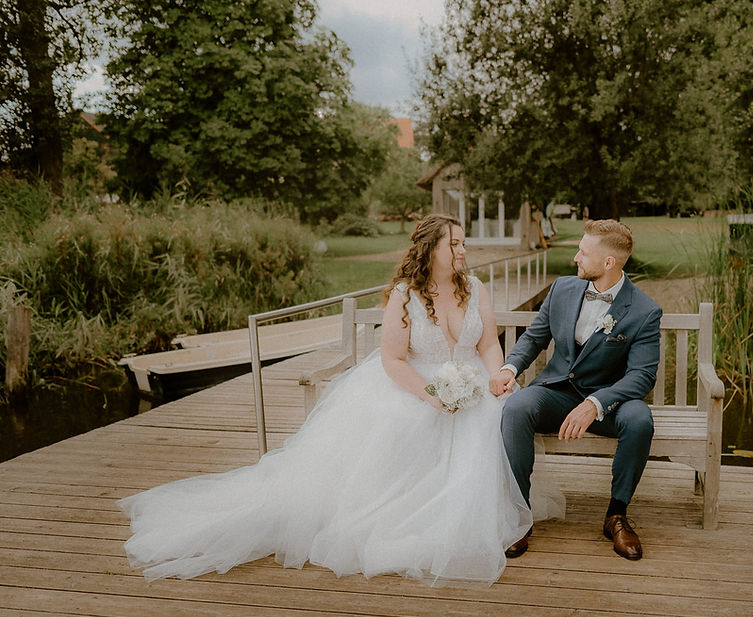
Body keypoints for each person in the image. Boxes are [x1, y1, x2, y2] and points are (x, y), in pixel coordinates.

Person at [119, 214, 561, 585]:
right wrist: (430, 394)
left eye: (464, 244)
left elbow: (486, 344)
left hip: (472, 387)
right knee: (406, 427)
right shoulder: (405, 296)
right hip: (415, 386)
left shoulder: (476, 288)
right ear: (431, 250)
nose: (464, 251)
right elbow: (392, 358)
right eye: (456, 244)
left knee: (496, 420)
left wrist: (495, 378)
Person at [489, 219, 662, 561]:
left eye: (583, 252)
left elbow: (642, 376)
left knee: (640, 418)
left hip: (609, 401)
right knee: (517, 407)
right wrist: (510, 368)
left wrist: (596, 403)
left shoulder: (644, 311)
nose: (576, 259)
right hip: (557, 393)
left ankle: (616, 515)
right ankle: (519, 517)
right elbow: (535, 337)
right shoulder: (562, 289)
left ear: (608, 262)